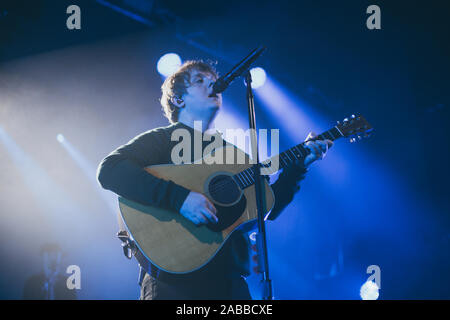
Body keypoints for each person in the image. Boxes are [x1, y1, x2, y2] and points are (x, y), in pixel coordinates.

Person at [97, 60, 332, 300]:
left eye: (213, 81)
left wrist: (297, 169)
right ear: (179, 100)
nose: (213, 85)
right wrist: (180, 199)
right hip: (172, 285)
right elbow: (110, 170)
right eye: (200, 80)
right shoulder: (163, 139)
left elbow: (265, 207)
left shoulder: (232, 154)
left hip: (229, 283)